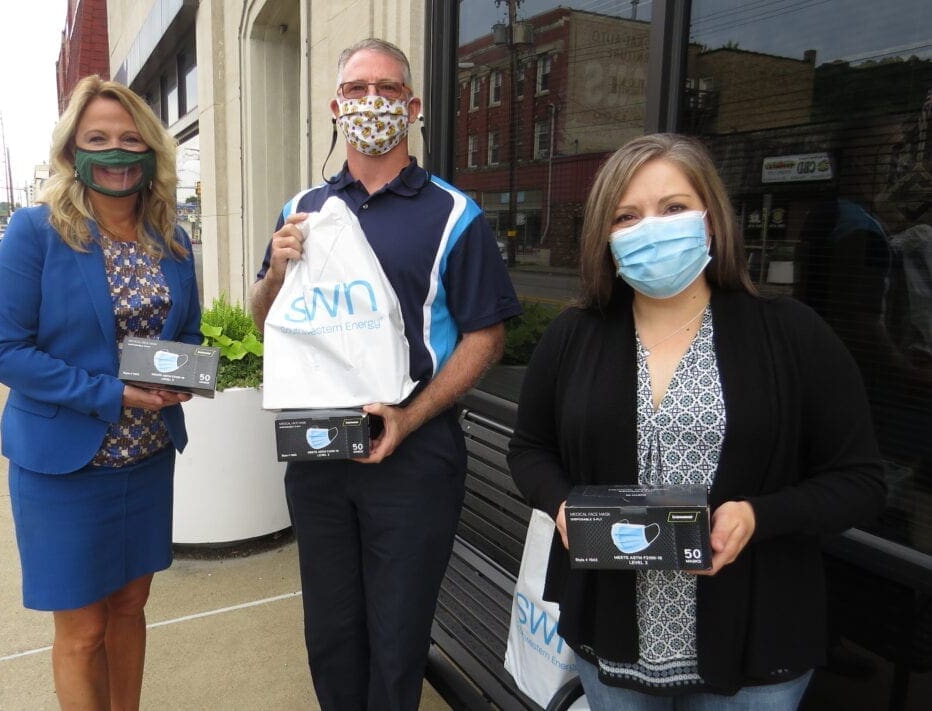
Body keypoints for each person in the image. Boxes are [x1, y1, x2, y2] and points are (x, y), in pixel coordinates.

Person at [507, 133, 886, 709]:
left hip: (754, 641)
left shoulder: (790, 333)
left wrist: (759, 516)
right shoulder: (574, 335)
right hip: (612, 638)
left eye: (674, 208)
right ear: (605, 238)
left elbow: (860, 480)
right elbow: (530, 450)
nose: (651, 228)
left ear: (710, 220)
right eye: (626, 216)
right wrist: (562, 505)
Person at [250, 38, 522, 710]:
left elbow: (486, 335)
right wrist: (277, 272)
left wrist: (412, 415)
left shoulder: (455, 214)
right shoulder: (301, 210)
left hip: (413, 449)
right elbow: (266, 320)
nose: (373, 101)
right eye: (358, 88)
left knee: (397, 638)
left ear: (414, 105)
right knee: (332, 631)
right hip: (319, 450)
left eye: (388, 88)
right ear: (336, 105)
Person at [0, 75, 201, 710]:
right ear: (73, 151)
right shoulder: (36, 232)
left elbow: (183, 332)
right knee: (83, 631)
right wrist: (113, 393)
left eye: (131, 138)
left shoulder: (174, 240)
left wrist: (184, 377)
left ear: (151, 151)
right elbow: (2, 350)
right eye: (97, 137)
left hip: (147, 456)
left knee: (131, 607)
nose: (116, 152)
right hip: (63, 465)